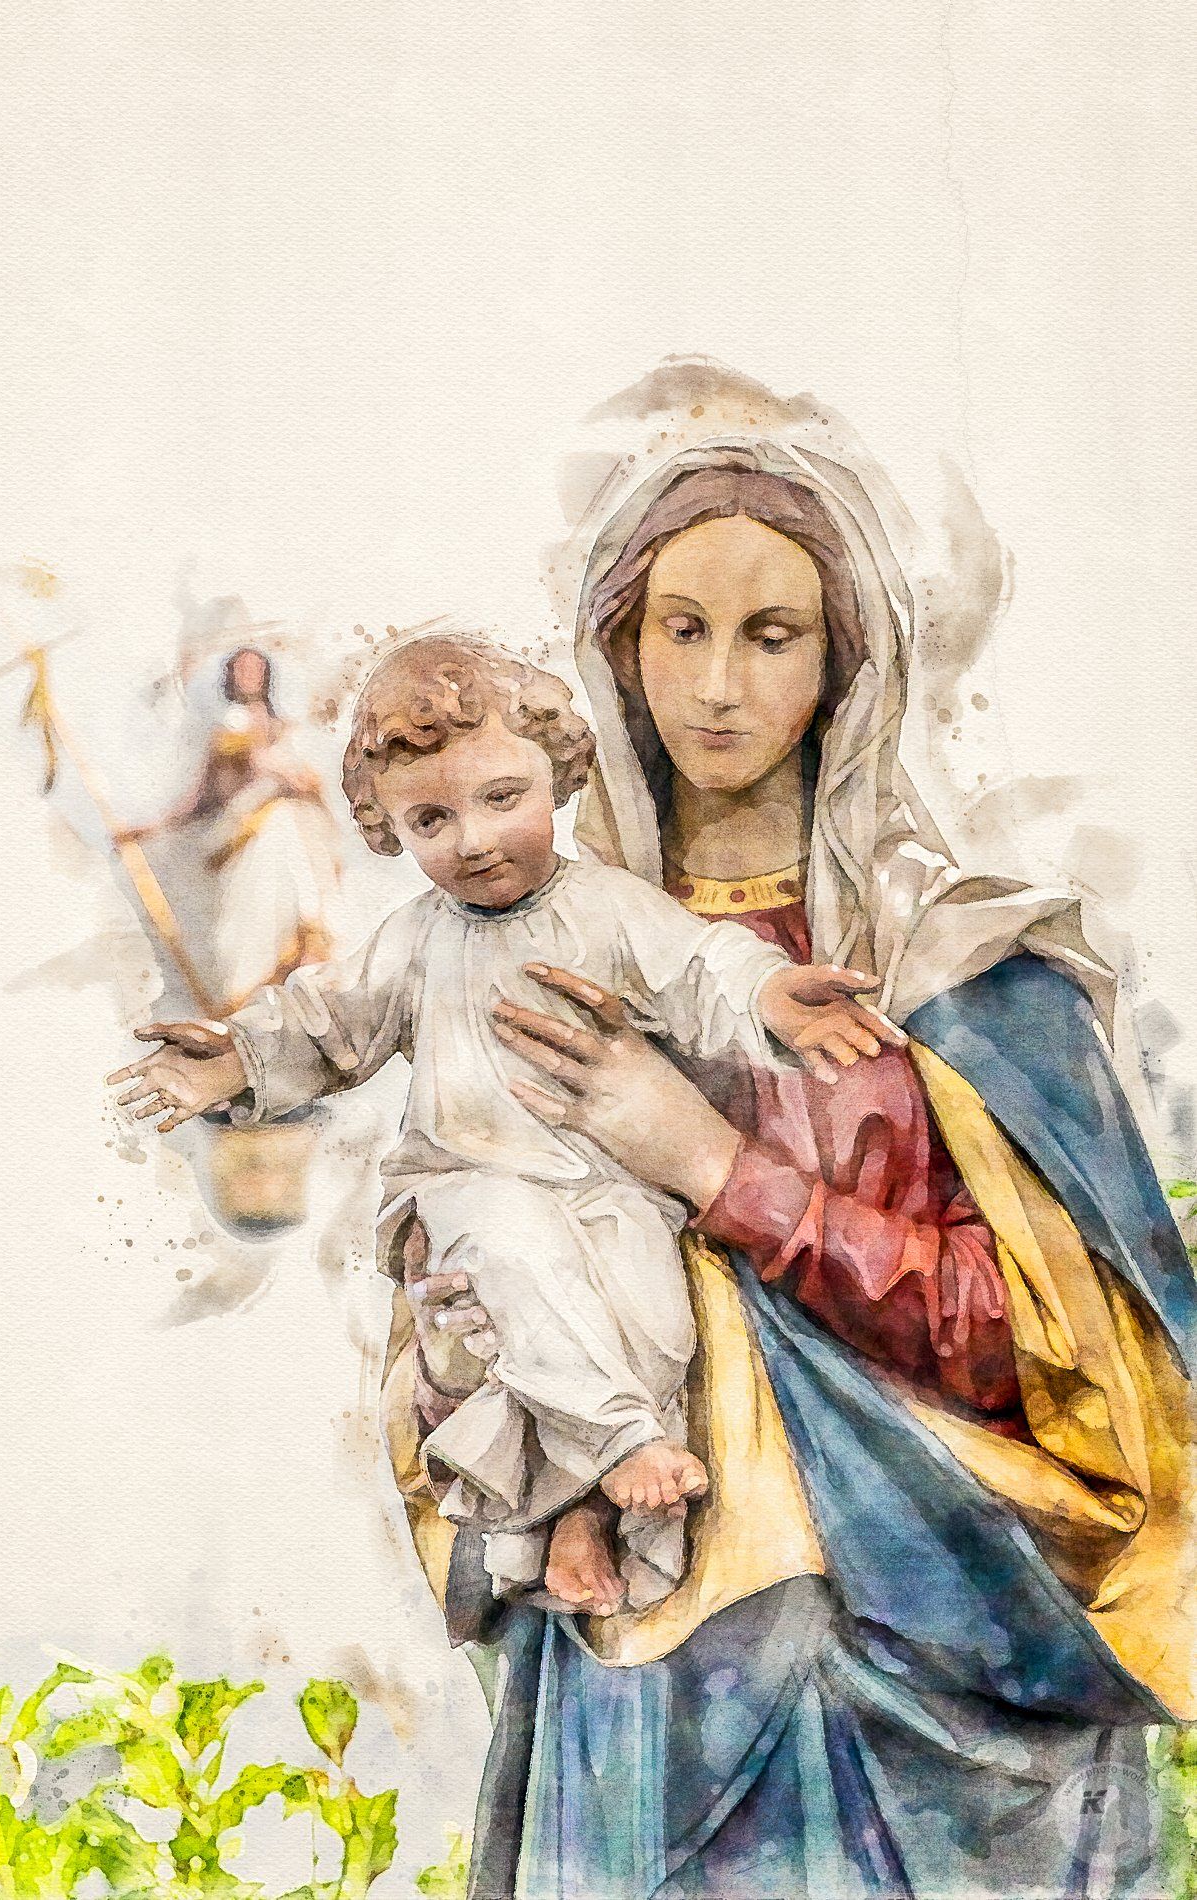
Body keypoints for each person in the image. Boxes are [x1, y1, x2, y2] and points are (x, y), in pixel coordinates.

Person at [385, 365, 1196, 1898]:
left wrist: (709, 1168)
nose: (715, 685)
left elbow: (1067, 1364)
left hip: (933, 1663)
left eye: (770, 635)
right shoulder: (527, 962)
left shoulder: (961, 971)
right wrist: (448, 1345)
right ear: (618, 654)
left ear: (842, 665)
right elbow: (455, 1317)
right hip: (652, 1675)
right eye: (678, 629)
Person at [107, 632, 897, 1618]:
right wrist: (234, 1062)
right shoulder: (415, 940)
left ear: (555, 776)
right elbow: (324, 1024)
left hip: (607, 1185)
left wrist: (772, 995)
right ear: (391, 827)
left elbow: (701, 970)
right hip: (467, 1186)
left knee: (652, 1319)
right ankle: (621, 1447)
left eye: (500, 798)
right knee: (518, 1268)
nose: (473, 840)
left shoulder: (608, 909)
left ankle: (576, 1521)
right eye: (431, 819)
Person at [120, 636, 342, 1013]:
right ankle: (247, 996)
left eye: (256, 668)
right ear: (229, 676)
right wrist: (148, 829)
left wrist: (297, 781)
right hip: (242, 842)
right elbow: (198, 799)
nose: (249, 675)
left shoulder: (284, 731)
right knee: (246, 929)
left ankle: (306, 950)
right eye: (242, 668)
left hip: (285, 834)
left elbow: (313, 788)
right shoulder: (226, 733)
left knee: (290, 839)